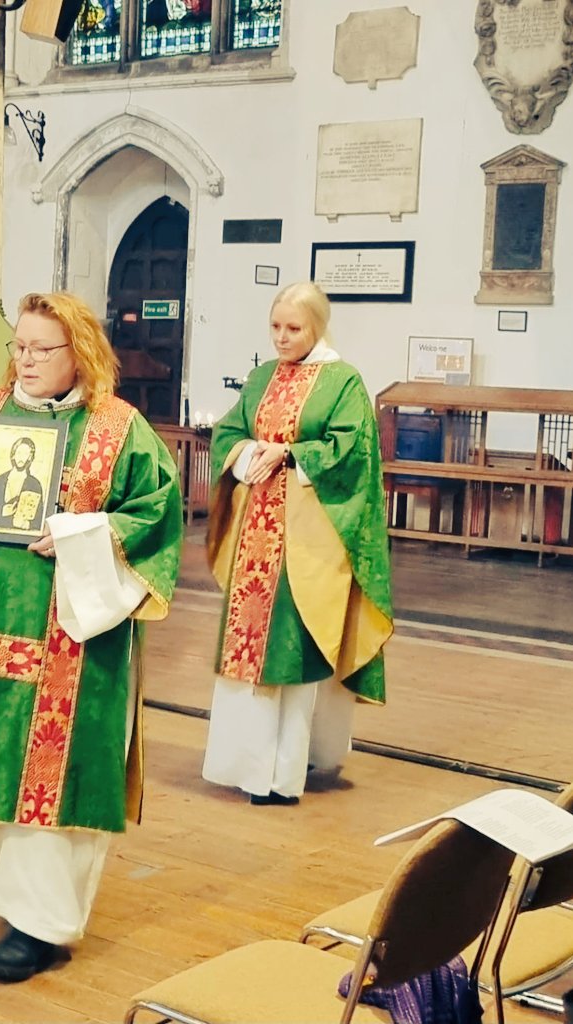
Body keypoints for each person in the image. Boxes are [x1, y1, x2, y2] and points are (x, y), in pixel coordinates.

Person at [0, 291, 183, 983]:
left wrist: (82, 532)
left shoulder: (118, 429)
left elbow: (157, 511)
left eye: (40, 349)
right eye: (18, 346)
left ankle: (44, 924)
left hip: (73, 644)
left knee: (54, 781)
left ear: (78, 352)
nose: (23, 360)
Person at [202, 281, 393, 806]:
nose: (283, 338)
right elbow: (228, 432)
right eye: (276, 327)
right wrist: (247, 452)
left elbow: (352, 450)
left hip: (309, 541)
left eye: (295, 329)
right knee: (252, 653)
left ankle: (287, 771)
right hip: (254, 541)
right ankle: (247, 764)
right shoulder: (262, 377)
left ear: (317, 327)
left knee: (293, 647)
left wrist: (288, 455)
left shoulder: (342, 381)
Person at [0, 435, 45, 531]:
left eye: (25, 454)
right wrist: (3, 512)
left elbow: (39, 519)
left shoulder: (35, 484)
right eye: (19, 452)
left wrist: (27, 524)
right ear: (13, 454)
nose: (21, 457)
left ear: (30, 457)